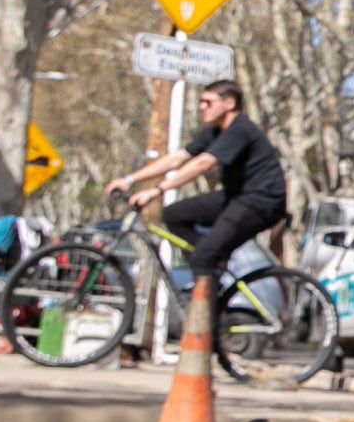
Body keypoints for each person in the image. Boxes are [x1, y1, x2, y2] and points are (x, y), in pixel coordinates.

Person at [104, 79, 288, 289]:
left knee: (203, 258)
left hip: (260, 202)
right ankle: (212, 264)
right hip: (235, 196)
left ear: (229, 103)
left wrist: (157, 190)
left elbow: (203, 163)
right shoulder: (215, 132)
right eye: (200, 101)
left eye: (208, 102)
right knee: (173, 215)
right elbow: (177, 159)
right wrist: (129, 180)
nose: (202, 107)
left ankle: (204, 311)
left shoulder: (240, 129)